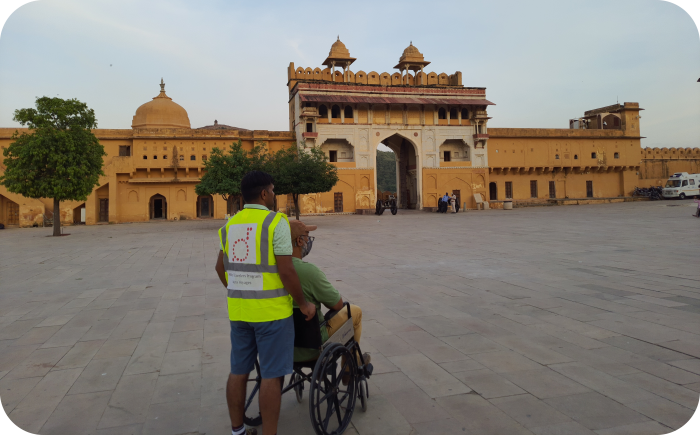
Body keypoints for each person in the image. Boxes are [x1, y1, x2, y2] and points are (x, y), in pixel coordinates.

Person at [215, 171, 316, 435]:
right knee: (271, 375)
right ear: (263, 193)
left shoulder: (231, 224)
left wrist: (237, 288)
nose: (274, 194)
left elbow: (219, 267)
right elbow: (287, 270)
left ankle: (237, 431)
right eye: (272, 190)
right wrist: (304, 304)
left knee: (238, 371)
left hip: (239, 313)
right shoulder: (275, 222)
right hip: (271, 314)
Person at [289, 219, 369, 383]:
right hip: (312, 347)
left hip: (280, 348)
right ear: (298, 241)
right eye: (306, 237)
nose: (307, 241)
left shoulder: (271, 271)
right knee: (355, 312)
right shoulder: (308, 272)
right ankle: (349, 368)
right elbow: (337, 304)